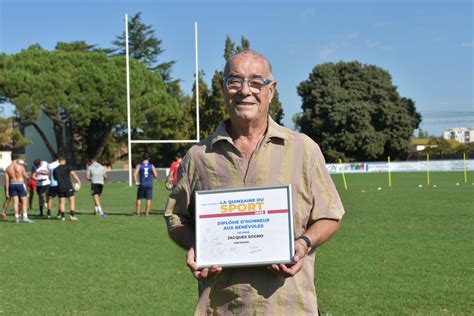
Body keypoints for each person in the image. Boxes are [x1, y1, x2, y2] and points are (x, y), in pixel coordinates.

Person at [164, 50, 345, 314]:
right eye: (234, 81)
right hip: (221, 307)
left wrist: (303, 244)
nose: (245, 91)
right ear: (223, 88)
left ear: (271, 90)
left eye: (256, 82)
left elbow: (330, 215)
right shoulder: (198, 157)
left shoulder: (303, 149)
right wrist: (196, 244)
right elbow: (176, 217)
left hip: (289, 307)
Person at [5, 157, 33, 223]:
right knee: (24, 201)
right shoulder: (20, 167)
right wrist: (30, 178)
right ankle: (25, 217)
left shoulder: (7, 168)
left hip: (12, 185)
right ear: (16, 160)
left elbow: (7, 182)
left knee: (15, 202)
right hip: (20, 184)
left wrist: (7, 191)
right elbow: (26, 176)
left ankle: (16, 218)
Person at [53, 156, 81, 221]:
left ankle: (62, 217)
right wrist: (78, 181)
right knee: (72, 200)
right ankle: (72, 216)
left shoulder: (55, 169)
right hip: (68, 187)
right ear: (64, 161)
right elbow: (73, 174)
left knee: (62, 202)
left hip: (60, 187)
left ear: (59, 162)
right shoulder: (68, 167)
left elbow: (55, 178)